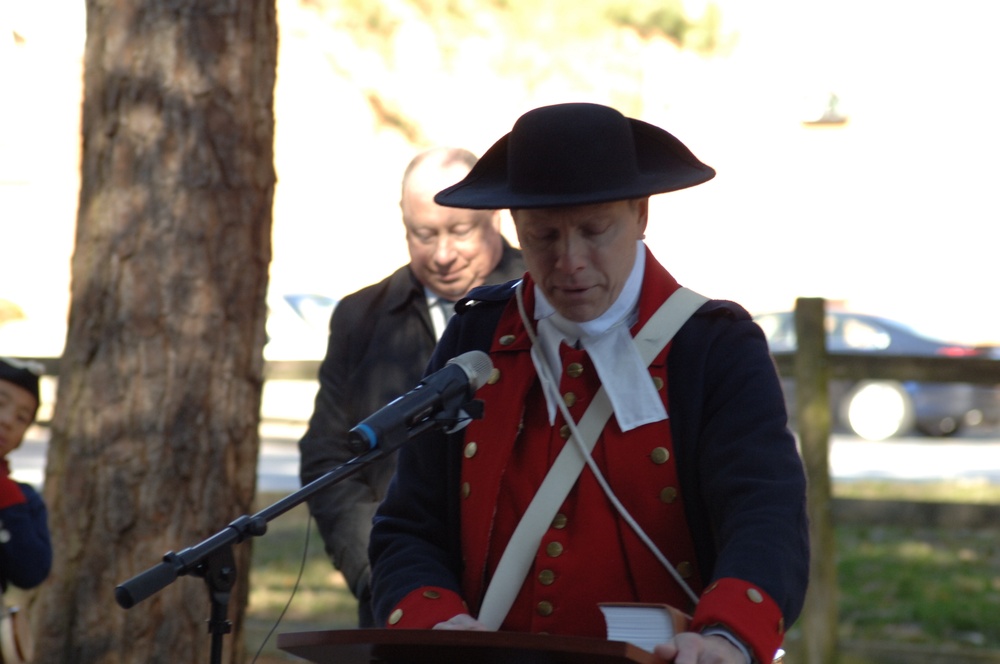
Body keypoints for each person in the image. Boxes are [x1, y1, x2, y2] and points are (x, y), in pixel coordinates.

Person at [368, 103, 809, 664]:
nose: (569, 260)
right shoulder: (476, 336)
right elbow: (410, 523)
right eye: (544, 235)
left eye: (594, 230)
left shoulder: (712, 347)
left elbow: (764, 515)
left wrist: (726, 637)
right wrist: (438, 625)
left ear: (641, 215)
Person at [298, 146, 525, 627]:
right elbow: (328, 457)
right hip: (396, 595)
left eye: (459, 232)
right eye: (424, 235)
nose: (442, 255)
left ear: (497, 220)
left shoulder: (544, 297)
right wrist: (382, 572)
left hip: (517, 596)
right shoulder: (361, 317)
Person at [0, 357, 52, 591]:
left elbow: (31, 572)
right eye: (0, 403)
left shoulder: (22, 499)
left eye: (22, 418)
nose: (7, 421)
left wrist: (7, 499)